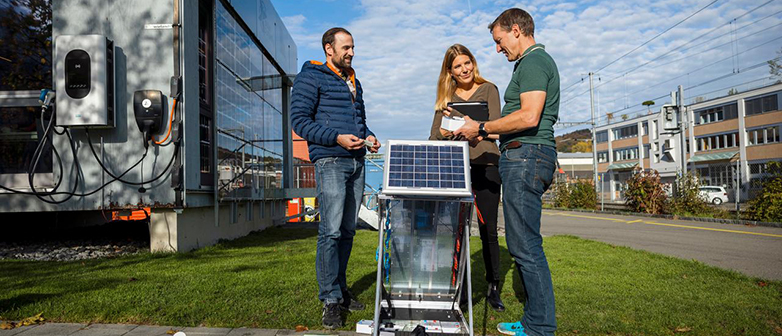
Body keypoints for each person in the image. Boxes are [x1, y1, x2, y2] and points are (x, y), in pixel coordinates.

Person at [453, 8, 560, 336]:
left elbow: (528, 117)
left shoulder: (533, 62)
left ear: (516, 30)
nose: (498, 49)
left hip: (526, 157)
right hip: (523, 154)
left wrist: (481, 126)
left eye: (499, 41)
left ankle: (540, 327)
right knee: (521, 242)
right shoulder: (529, 64)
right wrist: (479, 131)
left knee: (525, 245)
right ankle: (533, 321)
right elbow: (519, 121)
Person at [290, 27, 381, 330]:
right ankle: (329, 299)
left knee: (347, 231)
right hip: (330, 160)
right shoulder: (310, 77)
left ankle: (341, 291)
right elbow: (300, 123)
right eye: (345, 47)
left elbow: (360, 121)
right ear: (329, 49)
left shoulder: (355, 81)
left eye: (353, 47)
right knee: (329, 232)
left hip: (357, 161)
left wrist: (368, 137)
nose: (351, 52)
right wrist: (336, 138)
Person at [429, 44, 505, 312]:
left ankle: (493, 286)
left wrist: (473, 127)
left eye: (467, 62)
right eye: (458, 66)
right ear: (449, 71)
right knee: (456, 231)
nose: (465, 69)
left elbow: (498, 129)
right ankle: (458, 288)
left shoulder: (489, 90)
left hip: (486, 165)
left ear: (473, 62)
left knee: (488, 230)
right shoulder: (445, 100)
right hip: (457, 169)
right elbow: (434, 136)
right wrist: (449, 133)